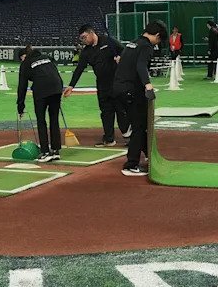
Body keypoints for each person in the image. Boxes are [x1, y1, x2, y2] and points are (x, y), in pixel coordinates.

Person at [113, 21, 166, 176]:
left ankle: (148, 155)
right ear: (156, 36)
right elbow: (141, 66)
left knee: (139, 124)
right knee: (139, 127)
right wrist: (148, 85)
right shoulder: (146, 46)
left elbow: (125, 63)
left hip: (118, 89)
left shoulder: (133, 43)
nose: (157, 43)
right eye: (159, 40)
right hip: (130, 90)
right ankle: (131, 165)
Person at [64, 24, 128, 147]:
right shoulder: (86, 52)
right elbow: (79, 69)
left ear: (91, 33)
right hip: (102, 85)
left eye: (84, 37)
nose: (83, 40)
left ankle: (128, 137)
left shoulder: (108, 41)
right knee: (105, 112)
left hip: (116, 83)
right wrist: (71, 86)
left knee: (121, 111)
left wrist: (121, 58)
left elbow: (124, 51)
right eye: (81, 39)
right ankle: (109, 139)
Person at [17, 45, 65, 162]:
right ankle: (55, 150)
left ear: (24, 56)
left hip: (42, 89)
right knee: (54, 119)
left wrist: (20, 105)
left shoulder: (25, 63)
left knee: (41, 120)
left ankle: (45, 152)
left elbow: (22, 86)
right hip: (57, 87)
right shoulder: (46, 57)